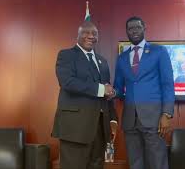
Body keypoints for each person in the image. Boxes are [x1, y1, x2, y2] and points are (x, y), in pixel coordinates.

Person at [52, 21, 118, 169]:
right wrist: (101, 89)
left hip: (100, 128)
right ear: (78, 36)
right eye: (86, 32)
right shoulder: (66, 55)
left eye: (94, 33)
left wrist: (112, 118)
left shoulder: (103, 61)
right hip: (75, 128)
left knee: (96, 165)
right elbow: (67, 82)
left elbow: (106, 91)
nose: (91, 36)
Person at [113, 16, 175, 169]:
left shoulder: (159, 51)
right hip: (130, 119)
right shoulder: (121, 58)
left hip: (154, 118)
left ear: (144, 28)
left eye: (137, 27)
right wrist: (108, 91)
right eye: (130, 28)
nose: (134, 31)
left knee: (157, 162)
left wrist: (166, 114)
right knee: (135, 163)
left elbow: (167, 84)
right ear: (126, 31)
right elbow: (119, 89)